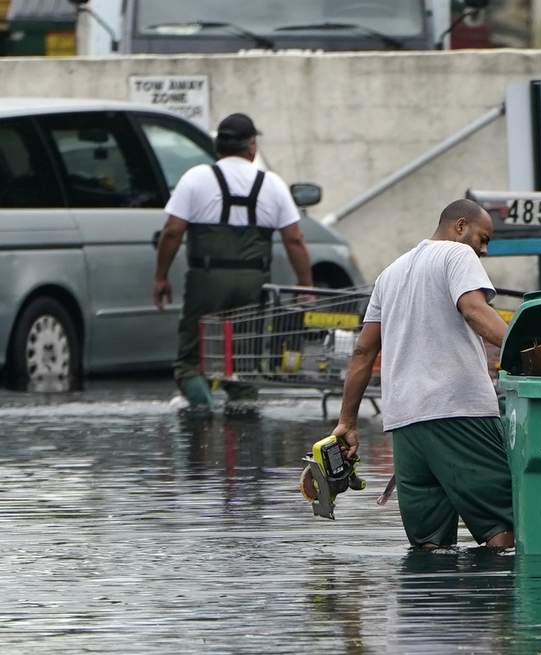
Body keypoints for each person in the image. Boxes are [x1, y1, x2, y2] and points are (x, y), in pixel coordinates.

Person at [332, 199, 514, 550]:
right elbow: (475, 309)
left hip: (406, 426)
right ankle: (497, 605)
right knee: (501, 529)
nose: (484, 250)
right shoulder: (456, 255)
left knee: (430, 547)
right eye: (483, 238)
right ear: (460, 226)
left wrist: (347, 422)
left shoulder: (390, 274)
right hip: (460, 413)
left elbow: (362, 352)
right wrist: (525, 350)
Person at [153, 112, 311, 410]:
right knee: (242, 361)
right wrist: (306, 284)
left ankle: (205, 410)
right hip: (252, 284)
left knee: (190, 362)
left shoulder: (196, 178)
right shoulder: (272, 184)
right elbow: (294, 239)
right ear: (252, 146)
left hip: (206, 281)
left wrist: (160, 276)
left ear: (218, 147)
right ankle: (244, 427)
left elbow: (172, 231)